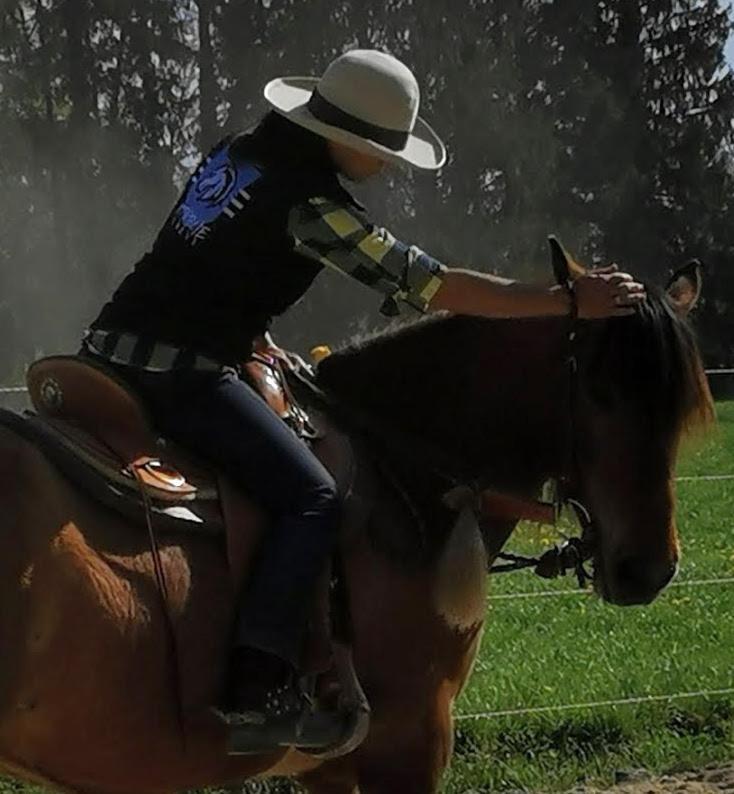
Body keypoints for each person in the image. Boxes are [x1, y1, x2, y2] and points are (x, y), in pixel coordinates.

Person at [81, 49, 645, 748]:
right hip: (181, 370)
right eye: (383, 153)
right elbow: (438, 288)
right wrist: (565, 302)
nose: (386, 168)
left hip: (107, 350)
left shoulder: (240, 155)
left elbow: (204, 261)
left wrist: (250, 333)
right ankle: (258, 689)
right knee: (311, 496)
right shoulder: (312, 206)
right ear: (345, 140)